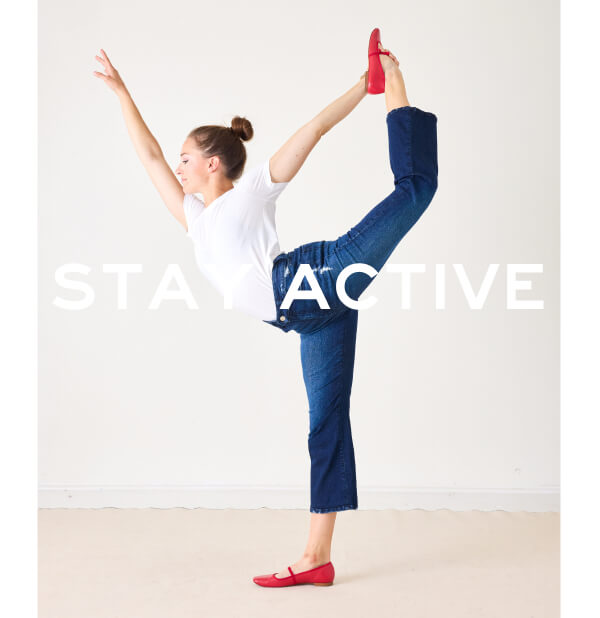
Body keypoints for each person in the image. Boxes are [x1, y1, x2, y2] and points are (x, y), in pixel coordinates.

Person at [93, 33, 438, 587]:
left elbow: (315, 129)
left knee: (417, 187)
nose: (177, 167)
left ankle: (393, 85)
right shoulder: (196, 221)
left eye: (187, 159)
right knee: (324, 425)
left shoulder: (250, 193)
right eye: (179, 159)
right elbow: (151, 155)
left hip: (317, 278)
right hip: (308, 316)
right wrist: (121, 93)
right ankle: (316, 558)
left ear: (212, 162)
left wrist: (363, 86)